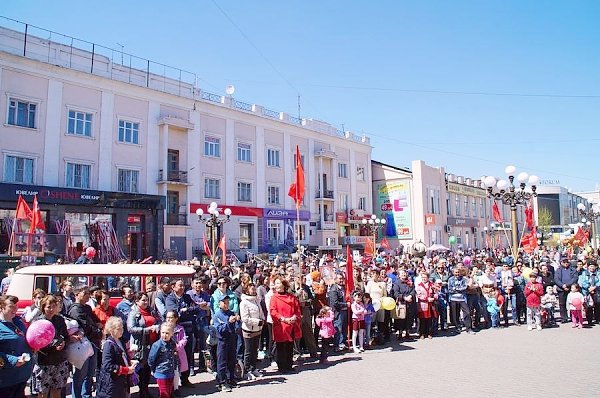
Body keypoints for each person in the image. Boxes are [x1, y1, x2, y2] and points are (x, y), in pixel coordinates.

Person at [68, 286, 103, 398]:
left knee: (90, 373)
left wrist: (97, 327)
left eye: (88, 293)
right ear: (77, 294)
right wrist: (97, 330)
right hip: (81, 344)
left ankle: (86, 395)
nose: (88, 295)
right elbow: (85, 326)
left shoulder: (87, 307)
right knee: (80, 374)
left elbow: (96, 321)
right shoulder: (75, 309)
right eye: (85, 293)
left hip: (92, 343)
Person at [32, 295, 69, 398]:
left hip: (60, 360)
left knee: (57, 391)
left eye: (54, 306)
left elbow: (66, 336)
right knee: (42, 393)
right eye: (48, 307)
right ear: (43, 307)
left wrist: (64, 343)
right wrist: (52, 345)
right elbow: (35, 342)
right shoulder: (38, 322)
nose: (51, 309)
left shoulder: (60, 320)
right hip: (44, 362)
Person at [0, 295, 34, 398]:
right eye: (11, 306)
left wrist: (34, 347)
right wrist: (13, 360)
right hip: (5, 380)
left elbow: (27, 340)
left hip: (22, 376)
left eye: (16, 306)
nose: (15, 309)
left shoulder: (19, 322)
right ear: (1, 307)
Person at [127, 292, 160, 398]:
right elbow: (131, 328)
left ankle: (146, 389)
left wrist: (157, 326)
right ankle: (142, 391)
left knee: (148, 368)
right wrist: (147, 330)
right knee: (141, 369)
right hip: (140, 345)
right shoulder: (133, 313)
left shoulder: (151, 311)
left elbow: (158, 320)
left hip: (152, 344)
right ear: (137, 301)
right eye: (143, 300)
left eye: (146, 300)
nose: (146, 302)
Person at [96, 317, 138, 398]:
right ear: (111, 330)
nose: (121, 330)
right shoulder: (108, 345)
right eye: (118, 329)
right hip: (112, 384)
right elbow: (107, 365)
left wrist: (129, 361)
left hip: (122, 382)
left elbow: (122, 357)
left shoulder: (121, 341)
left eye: (122, 328)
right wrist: (126, 370)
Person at [165, 279, 196, 385]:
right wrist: (186, 310)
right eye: (180, 285)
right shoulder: (170, 298)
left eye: (183, 286)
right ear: (173, 287)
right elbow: (175, 313)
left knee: (187, 354)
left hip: (188, 328)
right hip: (176, 331)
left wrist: (186, 310)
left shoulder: (187, 297)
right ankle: (174, 382)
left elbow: (195, 308)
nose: (182, 288)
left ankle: (185, 379)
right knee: (175, 355)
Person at [269, 276, 301, 373]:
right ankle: (282, 367)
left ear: (284, 285)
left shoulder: (292, 297)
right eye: (276, 283)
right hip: (280, 325)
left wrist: (294, 317)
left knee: (289, 346)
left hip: (291, 324)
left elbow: (297, 310)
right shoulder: (274, 298)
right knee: (281, 347)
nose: (276, 285)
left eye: (278, 283)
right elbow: (273, 311)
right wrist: (283, 319)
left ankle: (289, 365)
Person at [213, 296, 240, 392]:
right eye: (224, 302)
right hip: (223, 341)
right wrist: (228, 322)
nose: (226, 304)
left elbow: (236, 326)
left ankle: (231, 378)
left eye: (227, 302)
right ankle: (222, 382)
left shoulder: (231, 313)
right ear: (219, 304)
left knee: (232, 360)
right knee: (222, 362)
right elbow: (219, 329)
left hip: (232, 339)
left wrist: (237, 321)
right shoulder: (217, 315)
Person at [239, 283, 265, 380]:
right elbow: (245, 318)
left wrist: (262, 319)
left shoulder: (256, 300)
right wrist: (257, 322)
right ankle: (246, 371)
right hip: (249, 329)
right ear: (247, 290)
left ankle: (253, 368)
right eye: (252, 289)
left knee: (255, 350)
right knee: (248, 351)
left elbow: (260, 312)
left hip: (258, 329)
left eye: (254, 289)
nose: (254, 291)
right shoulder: (244, 302)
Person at [148, 323, 178, 398]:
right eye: (163, 332)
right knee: (164, 394)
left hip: (170, 372)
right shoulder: (157, 345)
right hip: (161, 372)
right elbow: (151, 359)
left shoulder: (172, 343)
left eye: (167, 333)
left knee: (169, 392)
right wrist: (153, 370)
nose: (164, 335)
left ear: (172, 334)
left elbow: (174, 356)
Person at [165, 311, 187, 394]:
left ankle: (176, 388)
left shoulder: (180, 328)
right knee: (167, 370)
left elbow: (184, 339)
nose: (169, 319)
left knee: (176, 371)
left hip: (177, 353)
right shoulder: (163, 327)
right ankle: (168, 388)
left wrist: (178, 347)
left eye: (171, 317)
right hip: (167, 353)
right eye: (167, 317)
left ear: (176, 319)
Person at [448, 266, 475, 334]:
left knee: (467, 312)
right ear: (453, 273)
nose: (457, 274)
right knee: (455, 314)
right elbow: (450, 289)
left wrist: (456, 289)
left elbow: (465, 287)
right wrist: (459, 289)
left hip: (462, 298)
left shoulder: (463, 279)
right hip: (453, 298)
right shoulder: (450, 279)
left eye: (458, 272)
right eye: (456, 272)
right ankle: (458, 327)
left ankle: (468, 328)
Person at [391, 269, 416, 340]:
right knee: (401, 319)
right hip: (401, 303)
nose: (404, 275)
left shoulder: (410, 282)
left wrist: (411, 296)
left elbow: (413, 290)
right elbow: (396, 293)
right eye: (402, 274)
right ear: (399, 275)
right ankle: (400, 333)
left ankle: (408, 333)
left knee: (409, 318)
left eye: (404, 274)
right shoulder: (396, 283)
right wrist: (404, 298)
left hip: (410, 303)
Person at [554, 258, 579, 323]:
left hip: (571, 288)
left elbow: (575, 278)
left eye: (567, 262)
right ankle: (564, 318)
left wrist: (567, 285)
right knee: (562, 304)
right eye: (564, 262)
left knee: (573, 303)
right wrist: (562, 285)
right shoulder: (558, 270)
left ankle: (573, 317)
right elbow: (556, 279)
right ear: (561, 262)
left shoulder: (573, 269)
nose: (566, 263)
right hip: (561, 289)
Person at [328, 273, 349, 350]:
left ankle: (342, 343)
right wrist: (345, 304)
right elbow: (335, 303)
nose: (341, 280)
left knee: (344, 328)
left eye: (342, 279)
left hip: (344, 311)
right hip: (338, 312)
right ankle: (336, 345)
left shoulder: (343, 288)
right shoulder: (333, 289)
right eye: (339, 279)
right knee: (338, 329)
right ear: (335, 279)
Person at [415, 271, 437, 339]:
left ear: (428, 278)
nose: (424, 279)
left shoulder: (432, 284)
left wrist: (434, 298)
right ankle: (422, 333)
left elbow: (436, 292)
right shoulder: (419, 285)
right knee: (422, 320)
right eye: (422, 277)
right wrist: (427, 299)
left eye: (425, 277)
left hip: (431, 305)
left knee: (430, 320)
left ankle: (429, 333)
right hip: (423, 305)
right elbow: (419, 295)